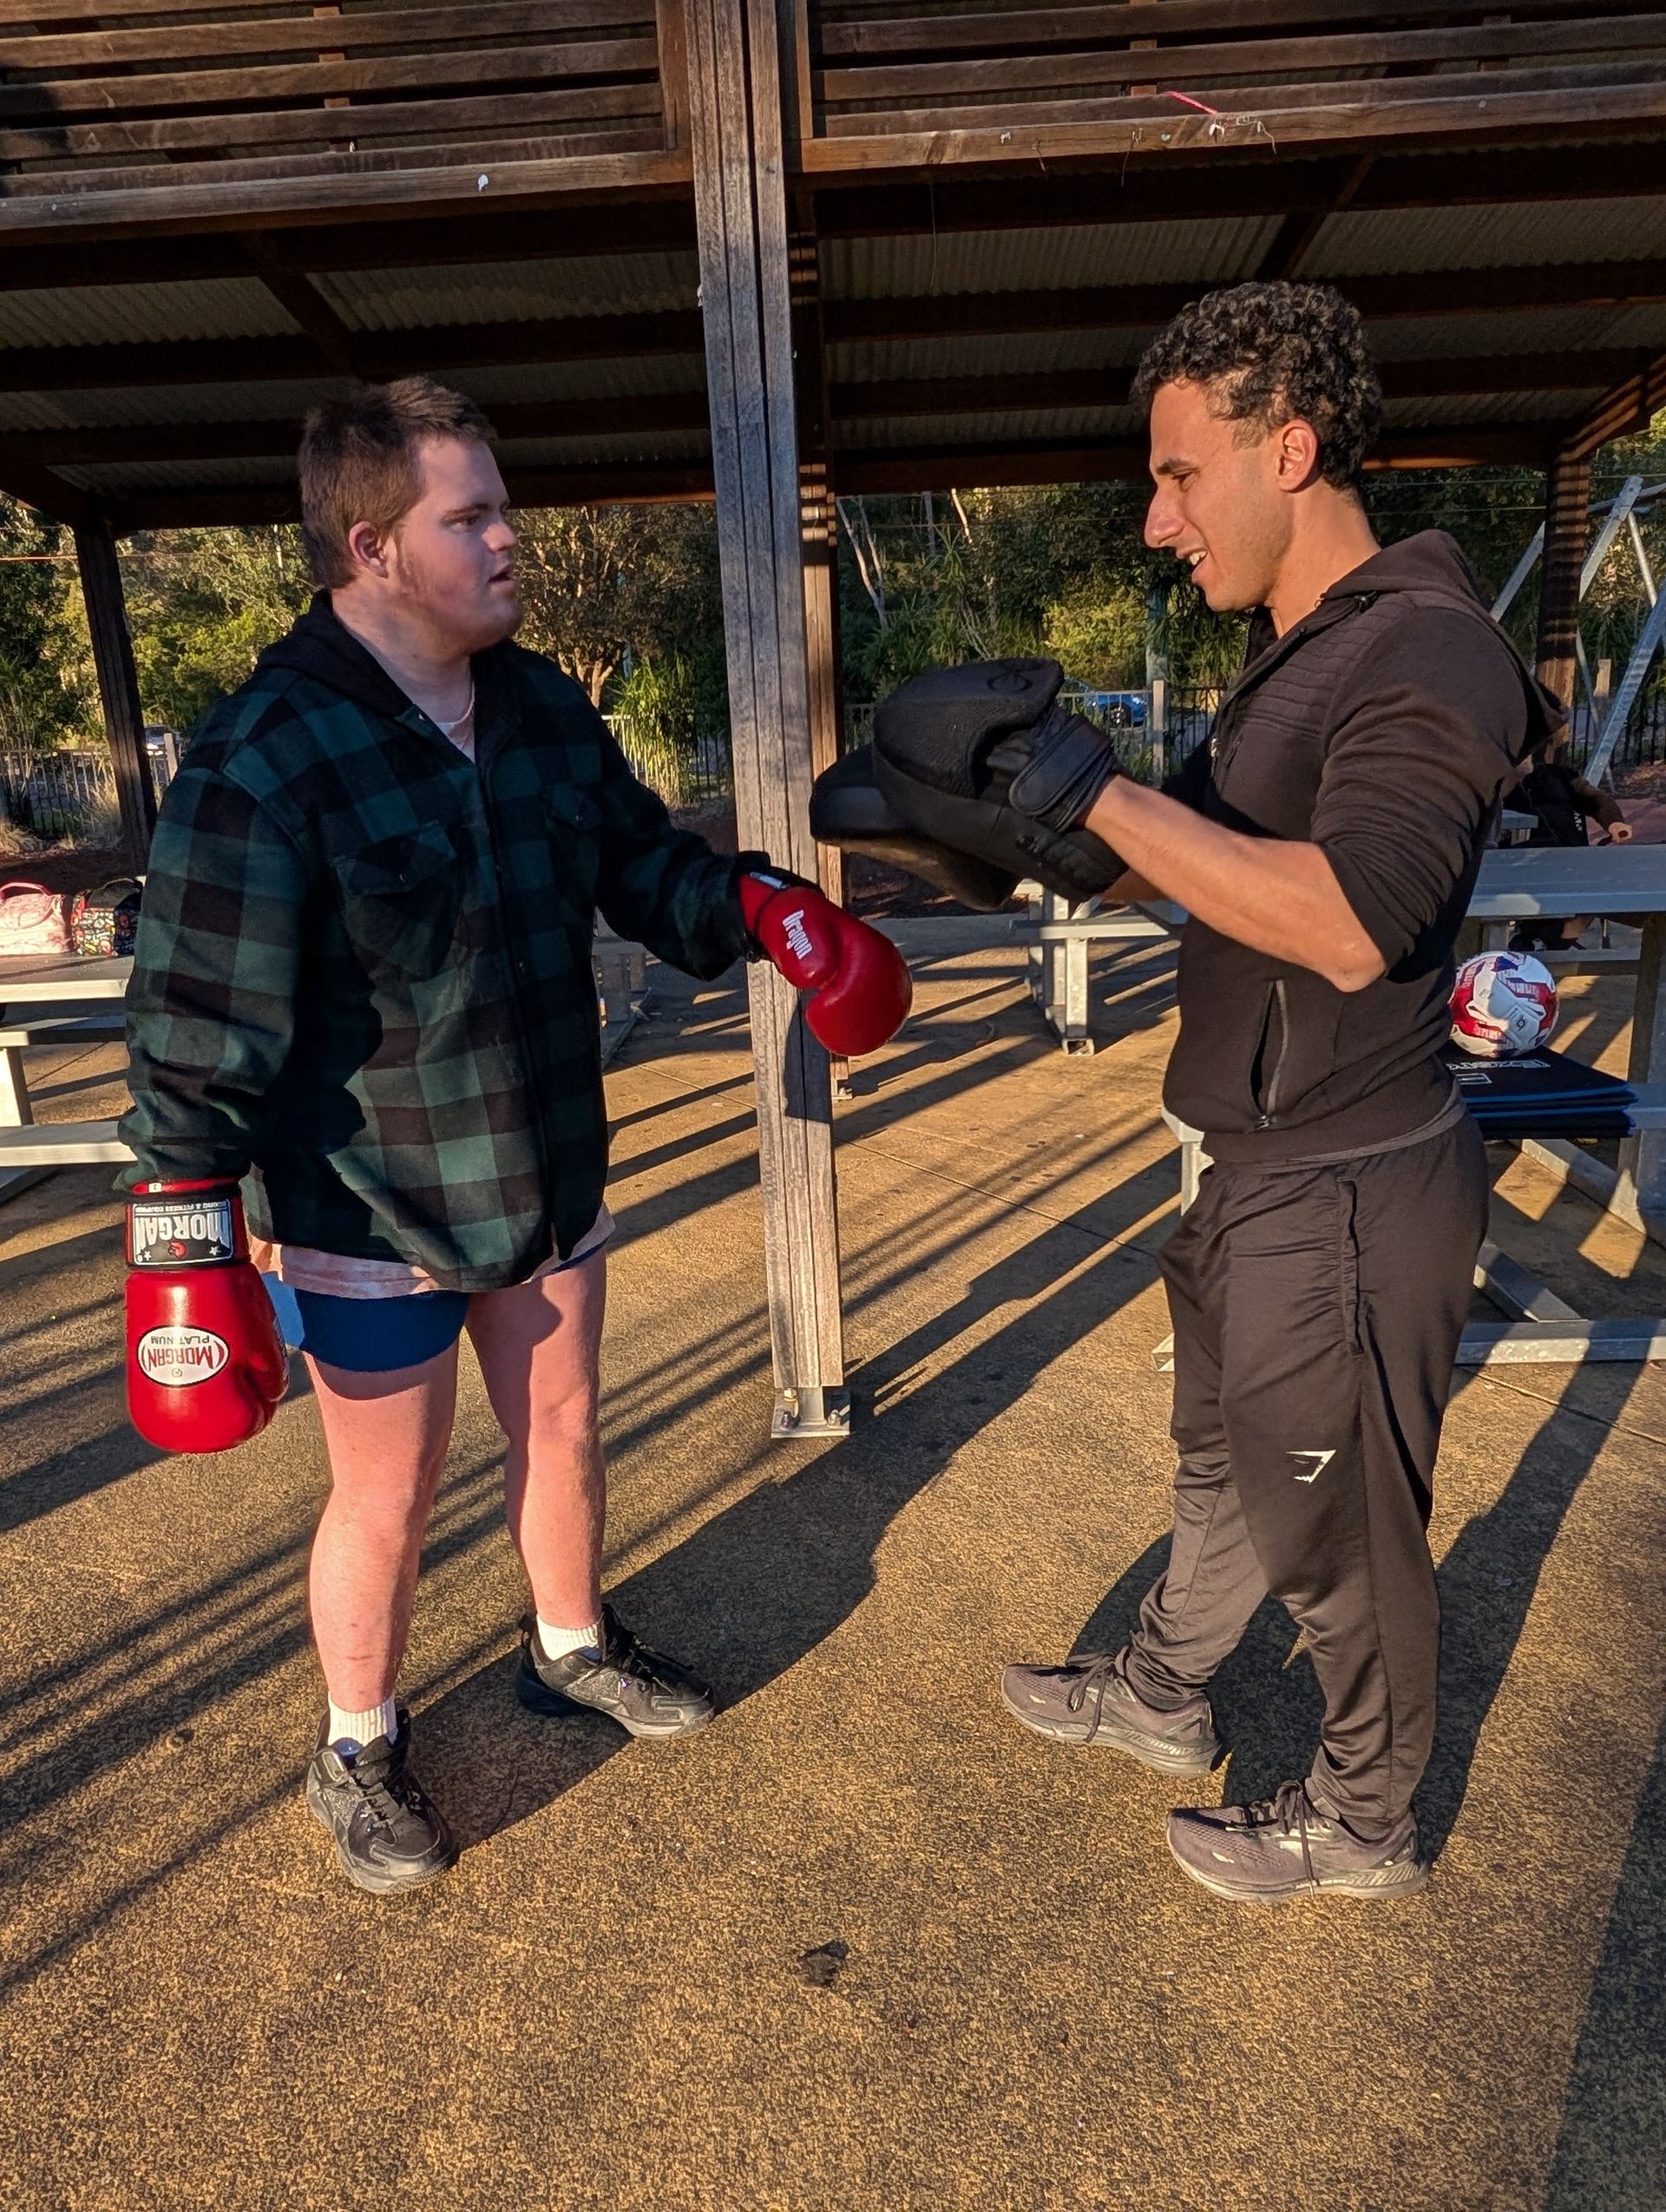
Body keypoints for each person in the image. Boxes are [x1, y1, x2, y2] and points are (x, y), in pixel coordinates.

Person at [119, 376, 909, 1895]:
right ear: (371, 547)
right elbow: (194, 1015)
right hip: (373, 1205)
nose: (508, 538)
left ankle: (569, 1643)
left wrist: (761, 908)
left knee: (561, 1425)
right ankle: (355, 1739)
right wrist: (184, 1228)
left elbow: (635, 868)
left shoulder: (540, 706)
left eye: (502, 505)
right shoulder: (267, 752)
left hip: (546, 1163)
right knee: (390, 1492)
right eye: (467, 515)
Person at [988, 283, 1562, 1901]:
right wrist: (988, 817)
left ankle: (1365, 1820)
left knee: (1340, 1532)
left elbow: (1356, 916)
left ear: (1289, 451)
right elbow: (1195, 867)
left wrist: (1094, 790)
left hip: (1355, 1183)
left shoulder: (1430, 650)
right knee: (1222, 1463)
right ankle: (1167, 1695)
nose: (1158, 519)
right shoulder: (1295, 659)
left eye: (1179, 476)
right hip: (1255, 1164)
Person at [1506, 724, 1634, 954]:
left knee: (1602, 882)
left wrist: (1614, 822)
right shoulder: (1497, 786)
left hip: (1574, 863)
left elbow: (1596, 799)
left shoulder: (1559, 776)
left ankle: (1547, 943)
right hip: (1523, 866)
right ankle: (1536, 941)